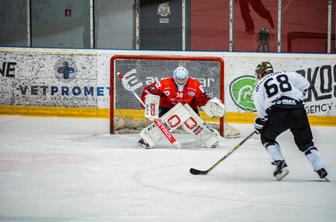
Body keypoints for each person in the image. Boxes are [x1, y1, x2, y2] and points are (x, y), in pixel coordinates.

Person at [253, 61, 328, 181]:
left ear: (261, 74)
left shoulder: (259, 86)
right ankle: (320, 169)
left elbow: (263, 115)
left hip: (278, 112)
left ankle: (280, 163)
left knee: (267, 138)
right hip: (298, 110)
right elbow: (306, 85)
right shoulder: (288, 74)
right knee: (306, 143)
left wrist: (260, 125)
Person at [138, 66, 225, 149]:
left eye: (183, 79)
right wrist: (146, 103)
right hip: (168, 107)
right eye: (179, 78)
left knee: (195, 124)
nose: (181, 81)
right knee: (164, 124)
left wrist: (210, 104)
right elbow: (148, 90)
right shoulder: (164, 83)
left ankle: (210, 139)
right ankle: (146, 140)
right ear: (174, 77)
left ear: (187, 77)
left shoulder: (195, 85)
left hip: (189, 107)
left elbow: (202, 98)